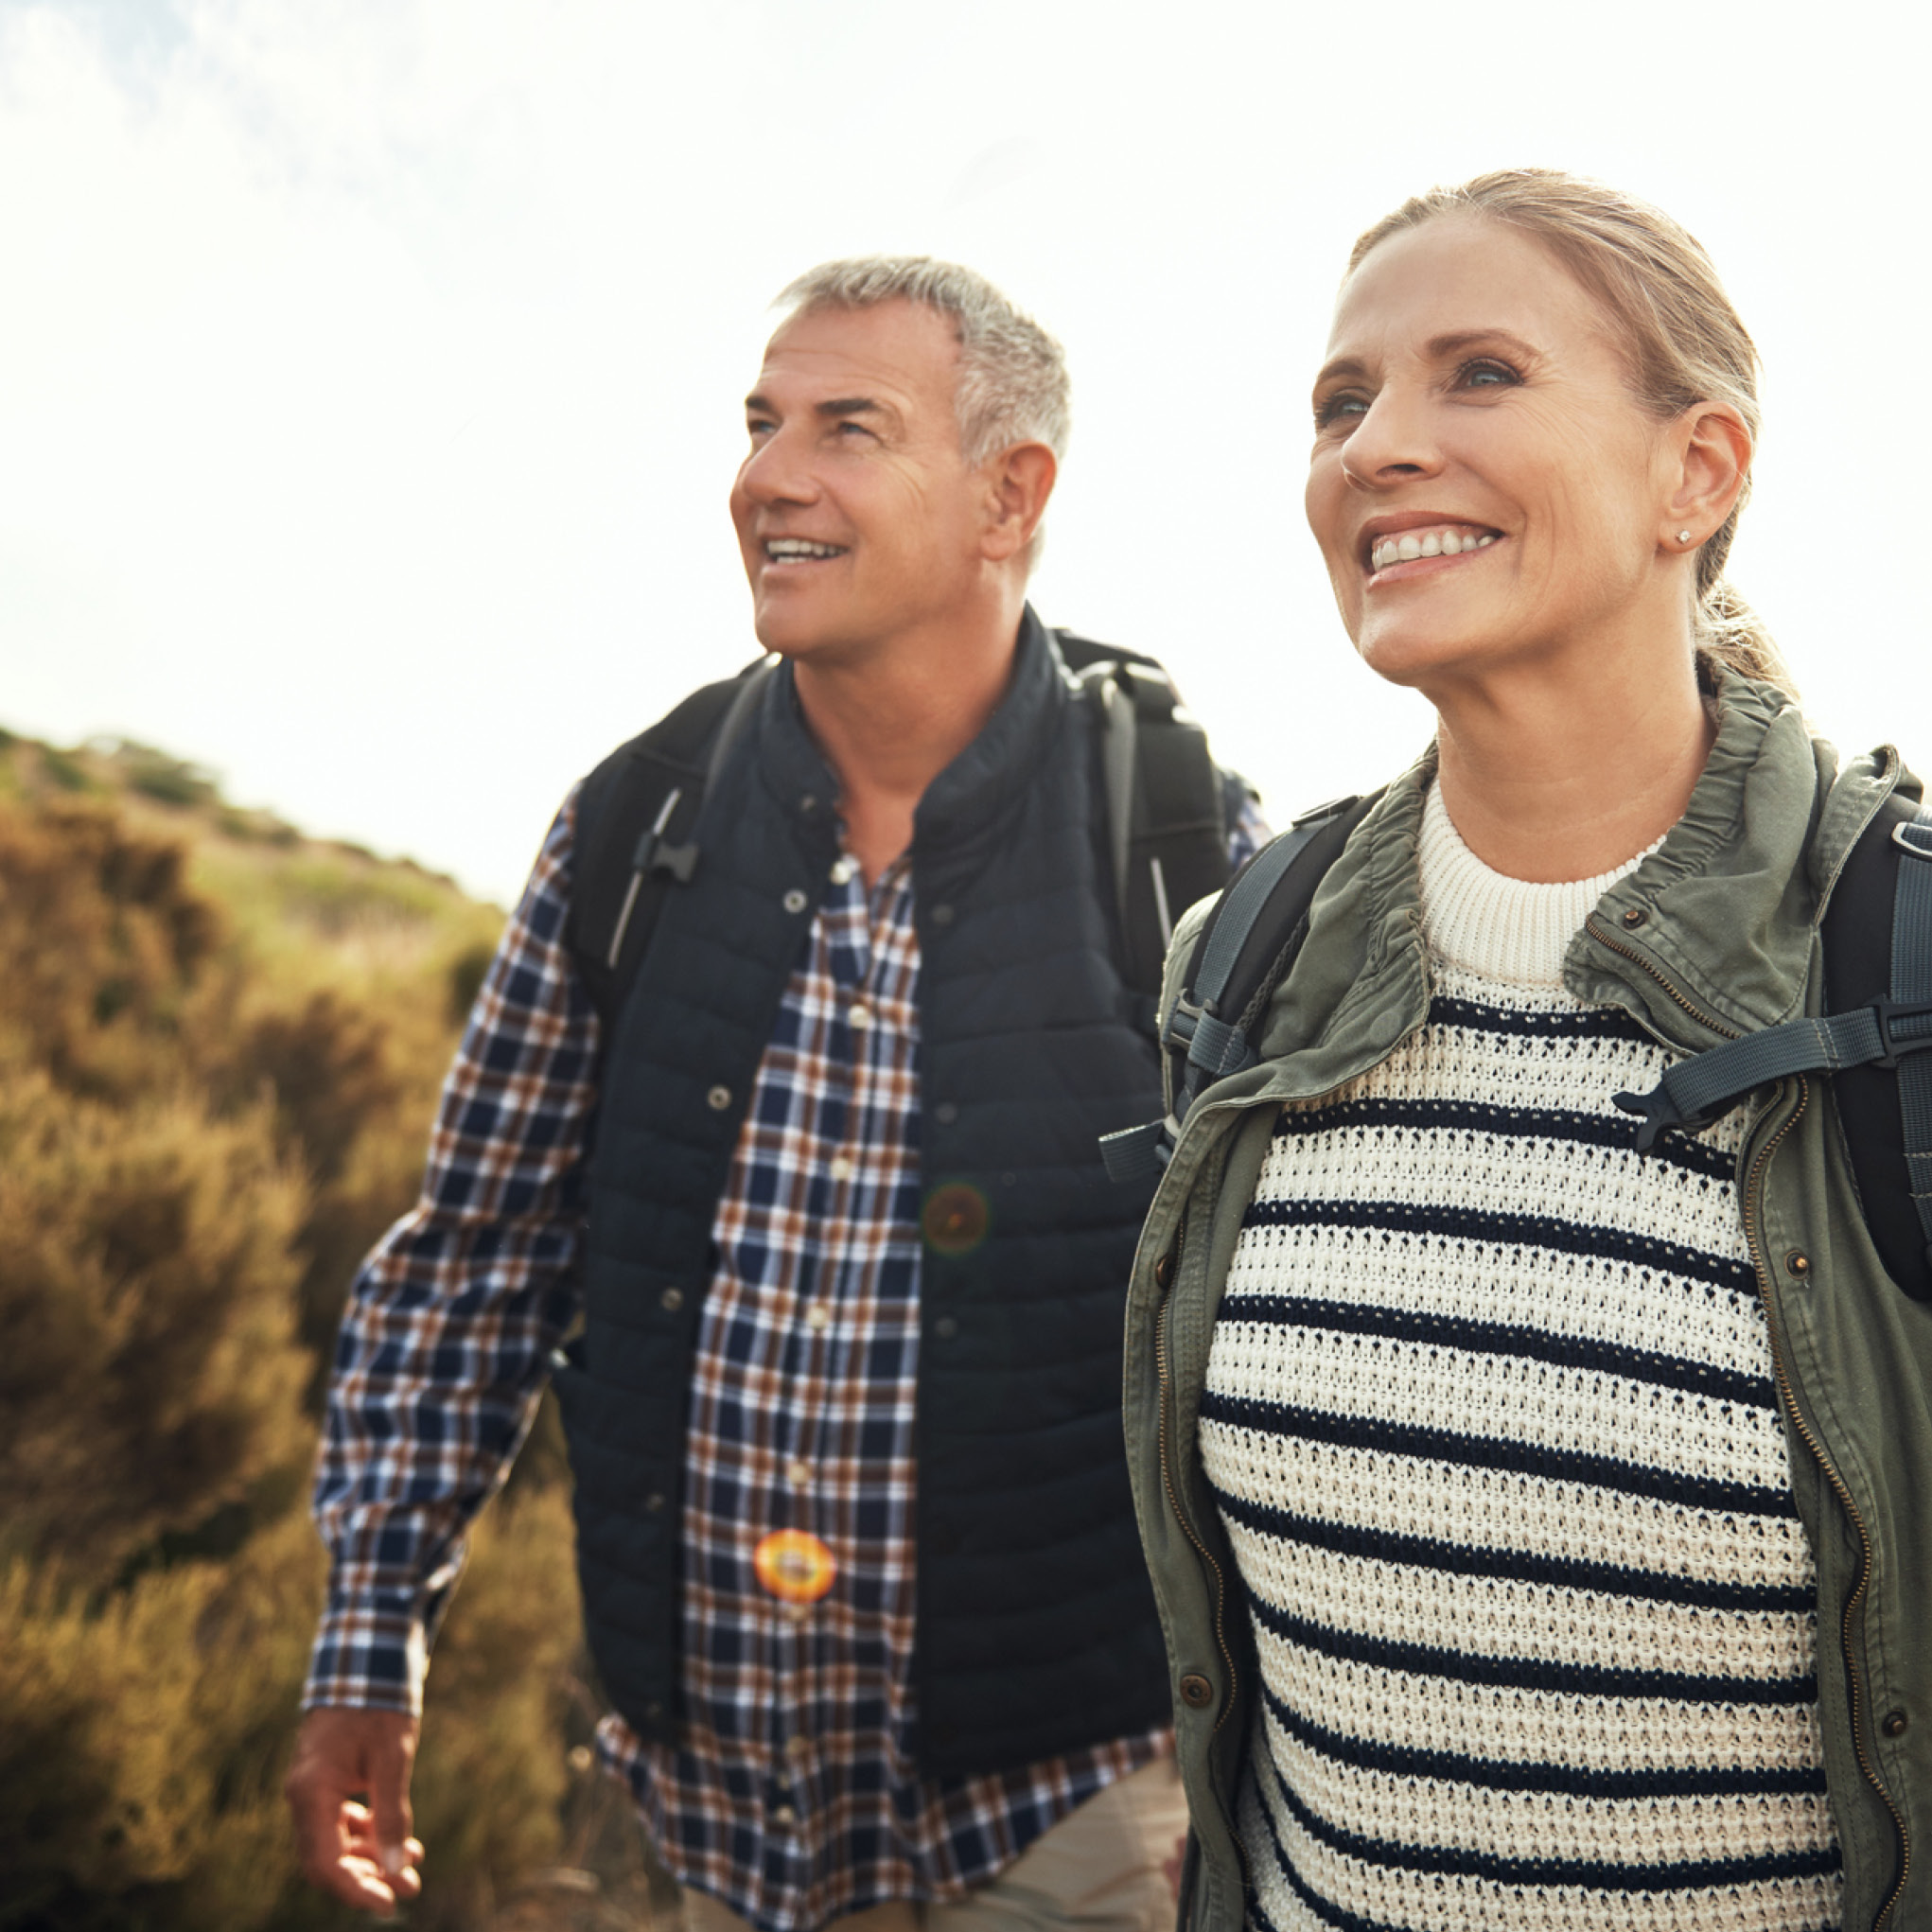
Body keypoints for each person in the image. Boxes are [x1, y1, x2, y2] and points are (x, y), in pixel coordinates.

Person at [284, 256, 1263, 1932]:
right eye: (759, 423)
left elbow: (1276, 1328)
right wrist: (371, 1638)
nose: (765, 475)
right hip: (713, 1824)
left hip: (1080, 1814)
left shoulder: (1180, 836)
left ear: (1007, 495)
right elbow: (473, 1261)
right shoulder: (631, 824)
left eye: (847, 427)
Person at [1123, 169, 1931, 1932]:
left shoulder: (1907, 967)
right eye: (1342, 402)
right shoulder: (1243, 962)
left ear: (1695, 470)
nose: (1375, 447)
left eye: (1477, 372)